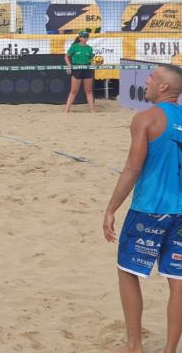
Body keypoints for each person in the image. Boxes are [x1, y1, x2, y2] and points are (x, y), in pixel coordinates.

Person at [103, 64, 182, 353]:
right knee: (178, 280)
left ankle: (134, 345)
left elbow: (133, 167)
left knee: (127, 271)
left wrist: (111, 208)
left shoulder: (146, 118)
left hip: (149, 209)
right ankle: (170, 350)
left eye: (152, 77)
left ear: (164, 87)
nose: (146, 80)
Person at [64, 30, 96, 113]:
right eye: (84, 37)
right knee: (73, 91)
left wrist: (96, 62)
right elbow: (66, 57)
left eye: (86, 37)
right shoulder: (74, 47)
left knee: (88, 90)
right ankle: (66, 110)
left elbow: (92, 60)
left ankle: (92, 110)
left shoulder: (89, 48)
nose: (85, 38)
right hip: (77, 69)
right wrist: (69, 65)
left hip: (87, 69)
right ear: (80, 38)